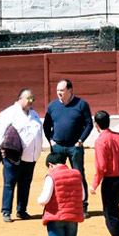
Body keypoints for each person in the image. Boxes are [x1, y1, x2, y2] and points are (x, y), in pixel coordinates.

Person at [44, 80, 94, 216]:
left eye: (62, 90)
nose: (59, 93)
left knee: (78, 175)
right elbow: (46, 125)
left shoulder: (81, 104)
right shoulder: (53, 106)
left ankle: (83, 206)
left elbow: (89, 124)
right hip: (58, 146)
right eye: (58, 91)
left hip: (74, 146)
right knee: (56, 176)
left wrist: (80, 141)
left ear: (70, 90)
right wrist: (51, 141)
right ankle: (58, 205)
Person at [0, 89, 43, 222]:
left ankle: (22, 210)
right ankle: (6, 211)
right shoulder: (9, 113)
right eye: (29, 99)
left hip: (31, 156)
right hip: (13, 156)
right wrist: (2, 148)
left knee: (25, 183)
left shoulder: (34, 114)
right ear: (20, 98)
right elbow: (0, 131)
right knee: (10, 183)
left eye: (33, 99)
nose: (31, 102)